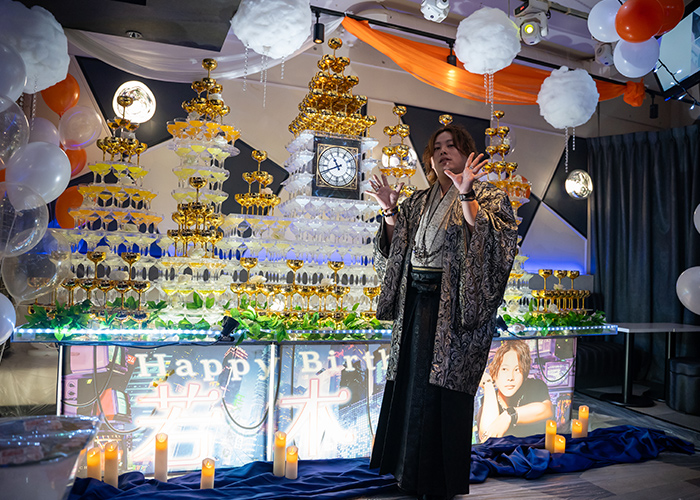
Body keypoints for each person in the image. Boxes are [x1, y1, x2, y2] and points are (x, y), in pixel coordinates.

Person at [366, 123, 518, 500]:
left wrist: (466, 194)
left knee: (441, 392)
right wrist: (389, 212)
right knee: (409, 385)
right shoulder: (418, 200)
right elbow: (395, 250)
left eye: (451, 145)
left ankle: (436, 482)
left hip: (454, 309)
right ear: (430, 160)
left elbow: (494, 245)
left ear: (467, 153)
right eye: (437, 148)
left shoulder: (490, 196)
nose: (443, 152)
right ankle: (404, 471)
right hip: (415, 304)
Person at [477, 339, 553, 443]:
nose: (510, 377)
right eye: (504, 369)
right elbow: (486, 438)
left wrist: (510, 416)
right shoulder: (490, 400)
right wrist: (488, 384)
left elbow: (547, 410)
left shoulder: (534, 386)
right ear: (494, 372)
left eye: (517, 369)